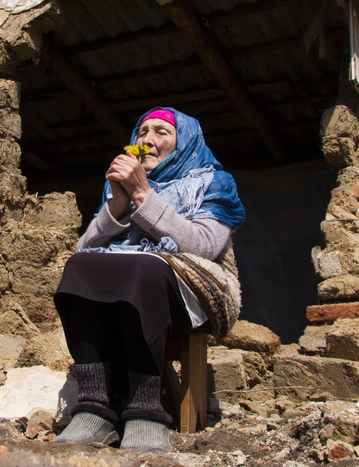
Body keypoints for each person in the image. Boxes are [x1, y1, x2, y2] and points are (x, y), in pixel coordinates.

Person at [52, 107, 245, 452]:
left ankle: (145, 410)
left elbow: (203, 246)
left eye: (161, 132)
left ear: (184, 143)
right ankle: (94, 407)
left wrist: (143, 196)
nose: (148, 140)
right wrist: (118, 205)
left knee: (143, 268)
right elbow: (85, 247)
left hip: (187, 289)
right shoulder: (119, 189)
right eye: (142, 132)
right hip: (126, 286)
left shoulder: (214, 182)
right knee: (78, 266)